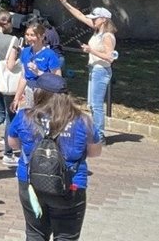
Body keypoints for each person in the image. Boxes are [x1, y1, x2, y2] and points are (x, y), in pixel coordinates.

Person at [7, 73, 102, 240]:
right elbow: (95, 152)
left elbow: (13, 144)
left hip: (31, 182)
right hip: (71, 184)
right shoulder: (82, 120)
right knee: (66, 235)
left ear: (40, 93)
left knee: (35, 233)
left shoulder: (24, 116)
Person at [58, 0, 117, 143]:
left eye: (95, 18)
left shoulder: (107, 36)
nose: (93, 20)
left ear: (103, 19)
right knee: (91, 103)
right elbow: (80, 16)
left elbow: (111, 57)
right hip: (94, 69)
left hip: (101, 71)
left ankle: (99, 136)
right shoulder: (97, 31)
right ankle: (94, 133)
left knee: (96, 105)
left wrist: (91, 51)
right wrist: (66, 4)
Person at [0, 11, 22, 166]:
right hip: (6, 82)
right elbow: (10, 65)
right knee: (10, 117)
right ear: (10, 22)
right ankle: (8, 153)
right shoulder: (13, 40)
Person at [11, 21, 62, 112]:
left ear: (42, 37)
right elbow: (23, 78)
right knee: (28, 118)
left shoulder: (49, 54)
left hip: (44, 92)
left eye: (33, 35)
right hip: (30, 91)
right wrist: (16, 98)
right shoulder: (25, 51)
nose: (29, 38)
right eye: (27, 34)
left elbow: (57, 80)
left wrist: (39, 72)